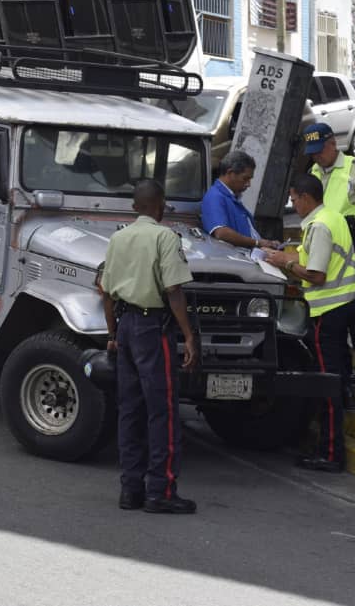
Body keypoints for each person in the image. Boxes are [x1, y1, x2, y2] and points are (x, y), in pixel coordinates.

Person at [98, 179, 199, 515]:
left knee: (130, 411)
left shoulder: (117, 238)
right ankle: (161, 490)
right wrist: (188, 335)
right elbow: (173, 290)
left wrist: (112, 335)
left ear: (134, 207)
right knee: (164, 412)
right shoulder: (165, 237)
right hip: (153, 330)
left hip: (125, 327)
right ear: (161, 205)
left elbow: (107, 293)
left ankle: (131, 489)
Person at [264, 174, 355, 472]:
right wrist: (286, 255)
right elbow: (314, 257)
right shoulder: (333, 216)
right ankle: (329, 446)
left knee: (327, 382)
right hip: (344, 305)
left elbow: (316, 275)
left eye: (294, 199)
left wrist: (286, 263)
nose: (293, 204)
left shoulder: (319, 227)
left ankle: (331, 453)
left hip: (328, 310)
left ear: (306, 197)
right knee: (336, 378)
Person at [302, 122, 355, 387]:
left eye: (319, 150)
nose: (316, 156)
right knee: (338, 307)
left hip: (351, 246)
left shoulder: (354, 169)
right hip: (322, 244)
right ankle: (345, 363)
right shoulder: (313, 171)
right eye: (312, 152)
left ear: (333, 143)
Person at [200, 150, 280, 250]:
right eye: (245, 178)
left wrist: (267, 243)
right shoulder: (215, 196)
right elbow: (221, 233)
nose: (248, 184)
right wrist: (257, 242)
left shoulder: (231, 198)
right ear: (230, 173)